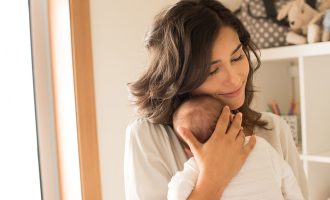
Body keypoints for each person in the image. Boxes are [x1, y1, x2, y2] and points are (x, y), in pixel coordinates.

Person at [124, 0, 308, 199]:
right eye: (212, 70)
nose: (235, 79)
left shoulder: (274, 129)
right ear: (180, 78)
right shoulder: (149, 137)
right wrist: (213, 178)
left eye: (237, 57)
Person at [168, 95, 304, 200]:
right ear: (233, 120)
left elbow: (177, 194)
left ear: (190, 150)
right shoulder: (260, 145)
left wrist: (174, 184)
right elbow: (288, 176)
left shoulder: (196, 167)